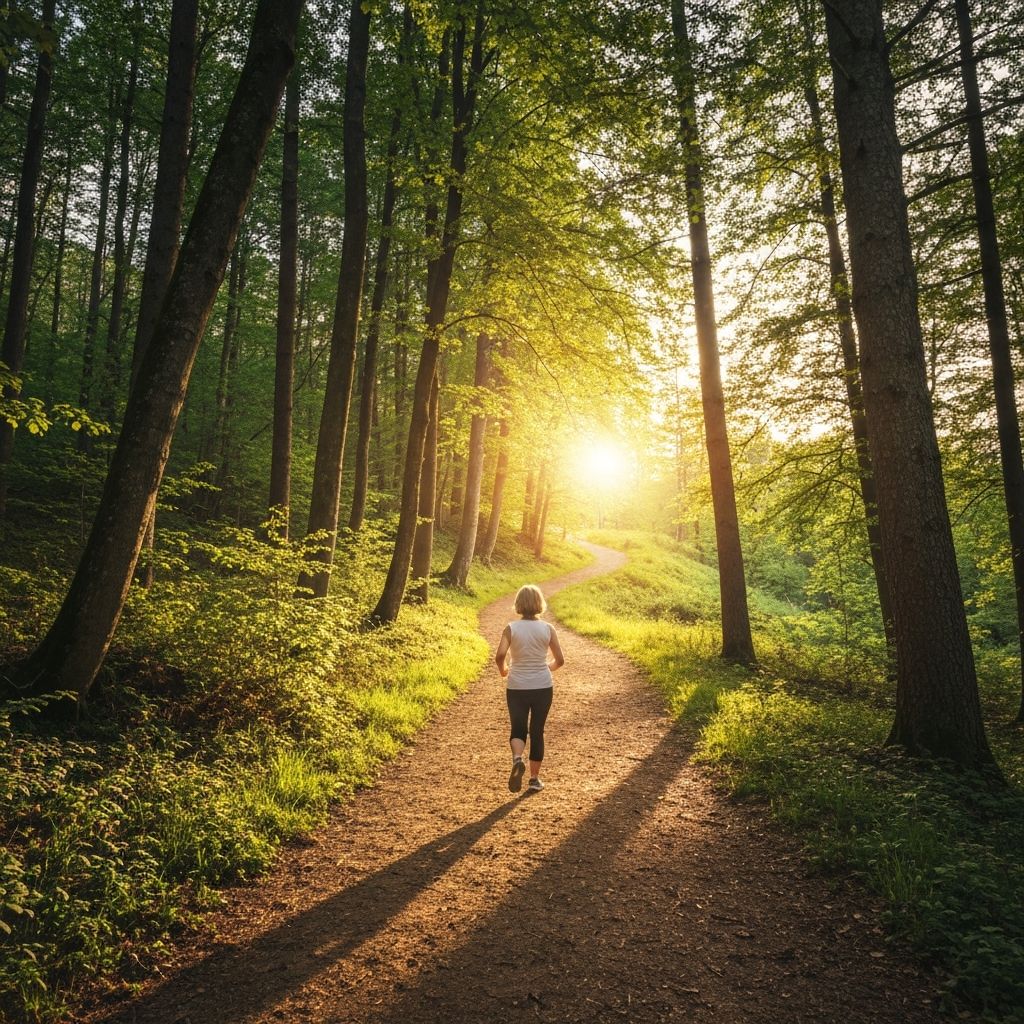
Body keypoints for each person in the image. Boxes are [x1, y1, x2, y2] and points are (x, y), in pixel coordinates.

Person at [495, 583, 564, 793]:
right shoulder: (547, 629)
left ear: (519, 604)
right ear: (539, 603)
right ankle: (534, 779)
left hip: (517, 685)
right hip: (542, 686)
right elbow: (560, 660)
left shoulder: (511, 628)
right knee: (537, 731)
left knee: (518, 727)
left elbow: (499, 655)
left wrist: (504, 670)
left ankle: (517, 759)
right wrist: (546, 669)